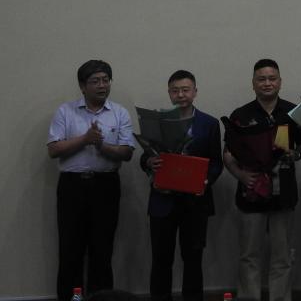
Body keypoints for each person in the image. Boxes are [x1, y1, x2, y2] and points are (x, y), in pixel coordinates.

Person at [47, 59, 135, 301]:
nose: (102, 85)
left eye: (106, 80)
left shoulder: (119, 112)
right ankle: (71, 299)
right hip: (72, 187)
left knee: (102, 250)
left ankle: (101, 298)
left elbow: (127, 153)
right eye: (95, 81)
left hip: (106, 187)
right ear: (82, 86)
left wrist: (101, 146)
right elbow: (53, 149)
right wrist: (84, 139)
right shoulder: (65, 111)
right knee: (70, 250)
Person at [223, 58, 301, 301]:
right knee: (249, 256)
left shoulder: (294, 113)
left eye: (272, 78)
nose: (267, 83)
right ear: (253, 83)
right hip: (251, 194)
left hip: (284, 194)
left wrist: (295, 154)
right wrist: (240, 175)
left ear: (280, 82)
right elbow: (228, 154)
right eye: (261, 79)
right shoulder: (240, 115)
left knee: (283, 256)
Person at [141, 69, 223, 301]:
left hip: (195, 202)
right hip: (162, 200)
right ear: (169, 93)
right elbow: (145, 157)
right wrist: (149, 162)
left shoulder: (209, 123)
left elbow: (216, 162)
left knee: (193, 259)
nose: (180, 95)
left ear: (195, 92)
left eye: (185, 90)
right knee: (161, 259)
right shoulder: (157, 121)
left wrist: (205, 181)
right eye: (175, 91)